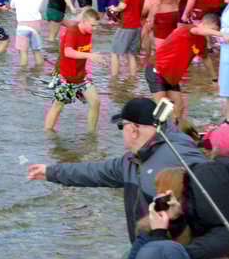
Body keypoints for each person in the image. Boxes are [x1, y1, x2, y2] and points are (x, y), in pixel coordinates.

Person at [29, 98, 207, 241]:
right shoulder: (132, 161)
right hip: (149, 249)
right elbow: (95, 172)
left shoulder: (181, 153)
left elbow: (209, 195)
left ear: (133, 129)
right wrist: (50, 172)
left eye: (121, 126)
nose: (121, 132)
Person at [46, 8, 103, 132]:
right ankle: (48, 133)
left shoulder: (88, 32)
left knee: (95, 102)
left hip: (81, 76)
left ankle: (91, 134)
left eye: (96, 26)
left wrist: (94, 56)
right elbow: (68, 52)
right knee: (57, 106)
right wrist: (89, 56)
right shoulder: (72, 32)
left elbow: (82, 50)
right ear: (83, 21)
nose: (94, 29)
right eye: (92, 25)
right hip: (67, 77)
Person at [111, 0, 146, 79]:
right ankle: (132, 79)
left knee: (114, 52)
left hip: (126, 25)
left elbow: (122, 6)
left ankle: (113, 80)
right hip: (137, 26)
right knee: (131, 55)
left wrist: (114, 9)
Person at [11, 0, 45, 69]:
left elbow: (13, 7)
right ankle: (38, 73)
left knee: (23, 53)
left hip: (22, 26)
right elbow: (40, 9)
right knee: (37, 52)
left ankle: (22, 78)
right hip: (35, 26)